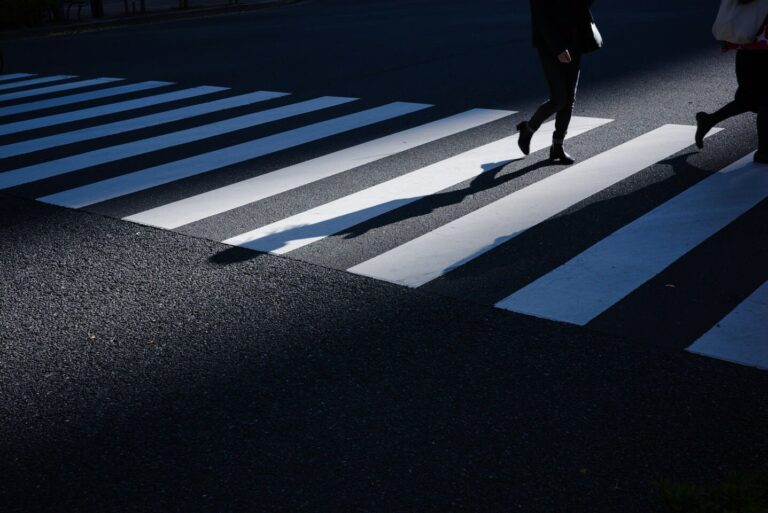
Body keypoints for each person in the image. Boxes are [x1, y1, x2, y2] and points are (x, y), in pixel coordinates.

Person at [517, 0, 602, 165]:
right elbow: (541, 18)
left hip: (575, 40)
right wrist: (559, 48)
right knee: (559, 99)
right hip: (550, 45)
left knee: (569, 99)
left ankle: (558, 146)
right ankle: (528, 128)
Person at [696, 0, 768, 164]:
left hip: (752, 50)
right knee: (763, 99)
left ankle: (708, 120)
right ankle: (764, 152)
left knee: (749, 99)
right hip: (759, 52)